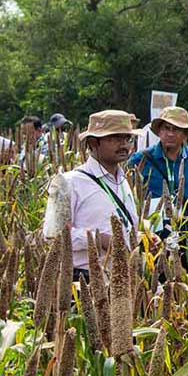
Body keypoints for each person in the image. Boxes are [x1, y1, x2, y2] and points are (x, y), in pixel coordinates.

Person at [60, 111, 143, 274]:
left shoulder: (124, 181)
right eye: (115, 138)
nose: (124, 145)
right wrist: (99, 239)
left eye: (127, 138)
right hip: (84, 281)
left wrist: (141, 238)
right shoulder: (68, 183)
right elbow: (54, 235)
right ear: (93, 142)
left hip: (122, 278)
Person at [127, 106, 188, 229]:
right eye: (166, 128)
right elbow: (127, 199)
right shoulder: (140, 160)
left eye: (176, 130)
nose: (170, 134)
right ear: (159, 131)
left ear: (185, 134)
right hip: (153, 238)